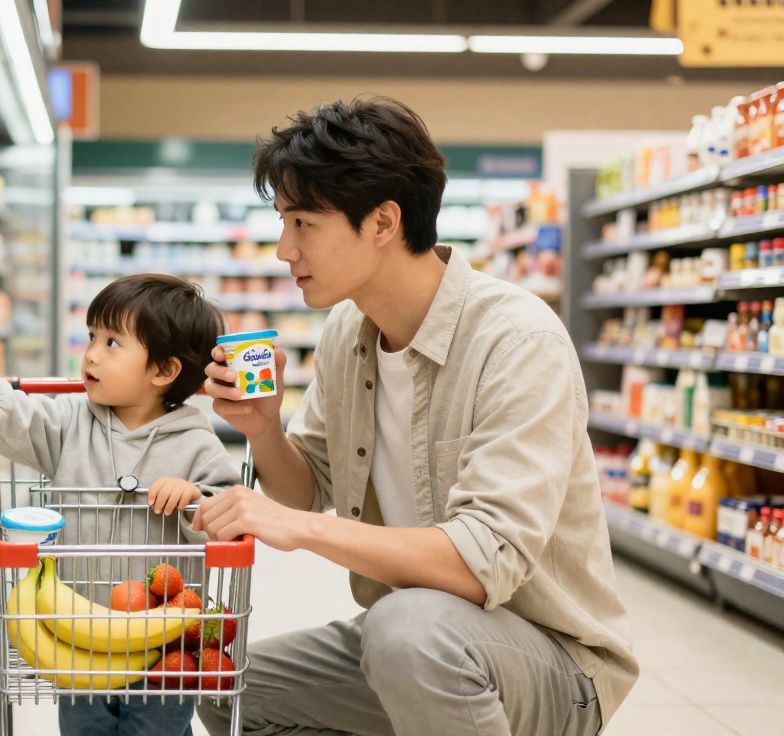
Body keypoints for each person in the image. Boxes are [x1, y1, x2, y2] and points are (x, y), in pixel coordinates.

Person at [192, 97, 638, 736]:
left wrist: (295, 528)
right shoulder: (348, 330)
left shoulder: (516, 340)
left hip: (550, 659)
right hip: (414, 643)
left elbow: (480, 563)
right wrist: (264, 429)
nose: (284, 249)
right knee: (223, 684)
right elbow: (306, 488)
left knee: (408, 630)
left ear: (382, 222)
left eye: (302, 224)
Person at [0, 273, 241, 736]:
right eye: (93, 336)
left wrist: (195, 498)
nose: (91, 352)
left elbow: (228, 512)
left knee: (159, 729)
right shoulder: (70, 423)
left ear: (163, 371)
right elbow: (15, 415)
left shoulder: (198, 443)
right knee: (82, 728)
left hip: (166, 644)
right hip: (79, 631)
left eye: (113, 342)